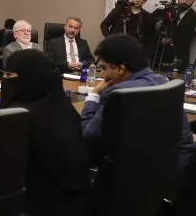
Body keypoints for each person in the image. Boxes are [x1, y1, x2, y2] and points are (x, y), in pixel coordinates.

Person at [0, 49, 91, 216]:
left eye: (8, 76)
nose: (4, 81)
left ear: (29, 78)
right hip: (78, 214)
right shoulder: (62, 107)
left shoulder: (20, 119)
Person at [81, 34, 195, 171]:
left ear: (120, 69)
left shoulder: (118, 94)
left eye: (104, 68)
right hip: (176, 167)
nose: (102, 75)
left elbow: (88, 135)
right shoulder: (164, 82)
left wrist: (94, 94)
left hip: (129, 174)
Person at [154, 0, 196, 71]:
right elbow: (152, 26)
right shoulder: (168, 10)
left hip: (179, 60)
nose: (184, 2)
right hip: (157, 57)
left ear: (194, 0)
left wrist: (172, 40)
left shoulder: (194, 17)